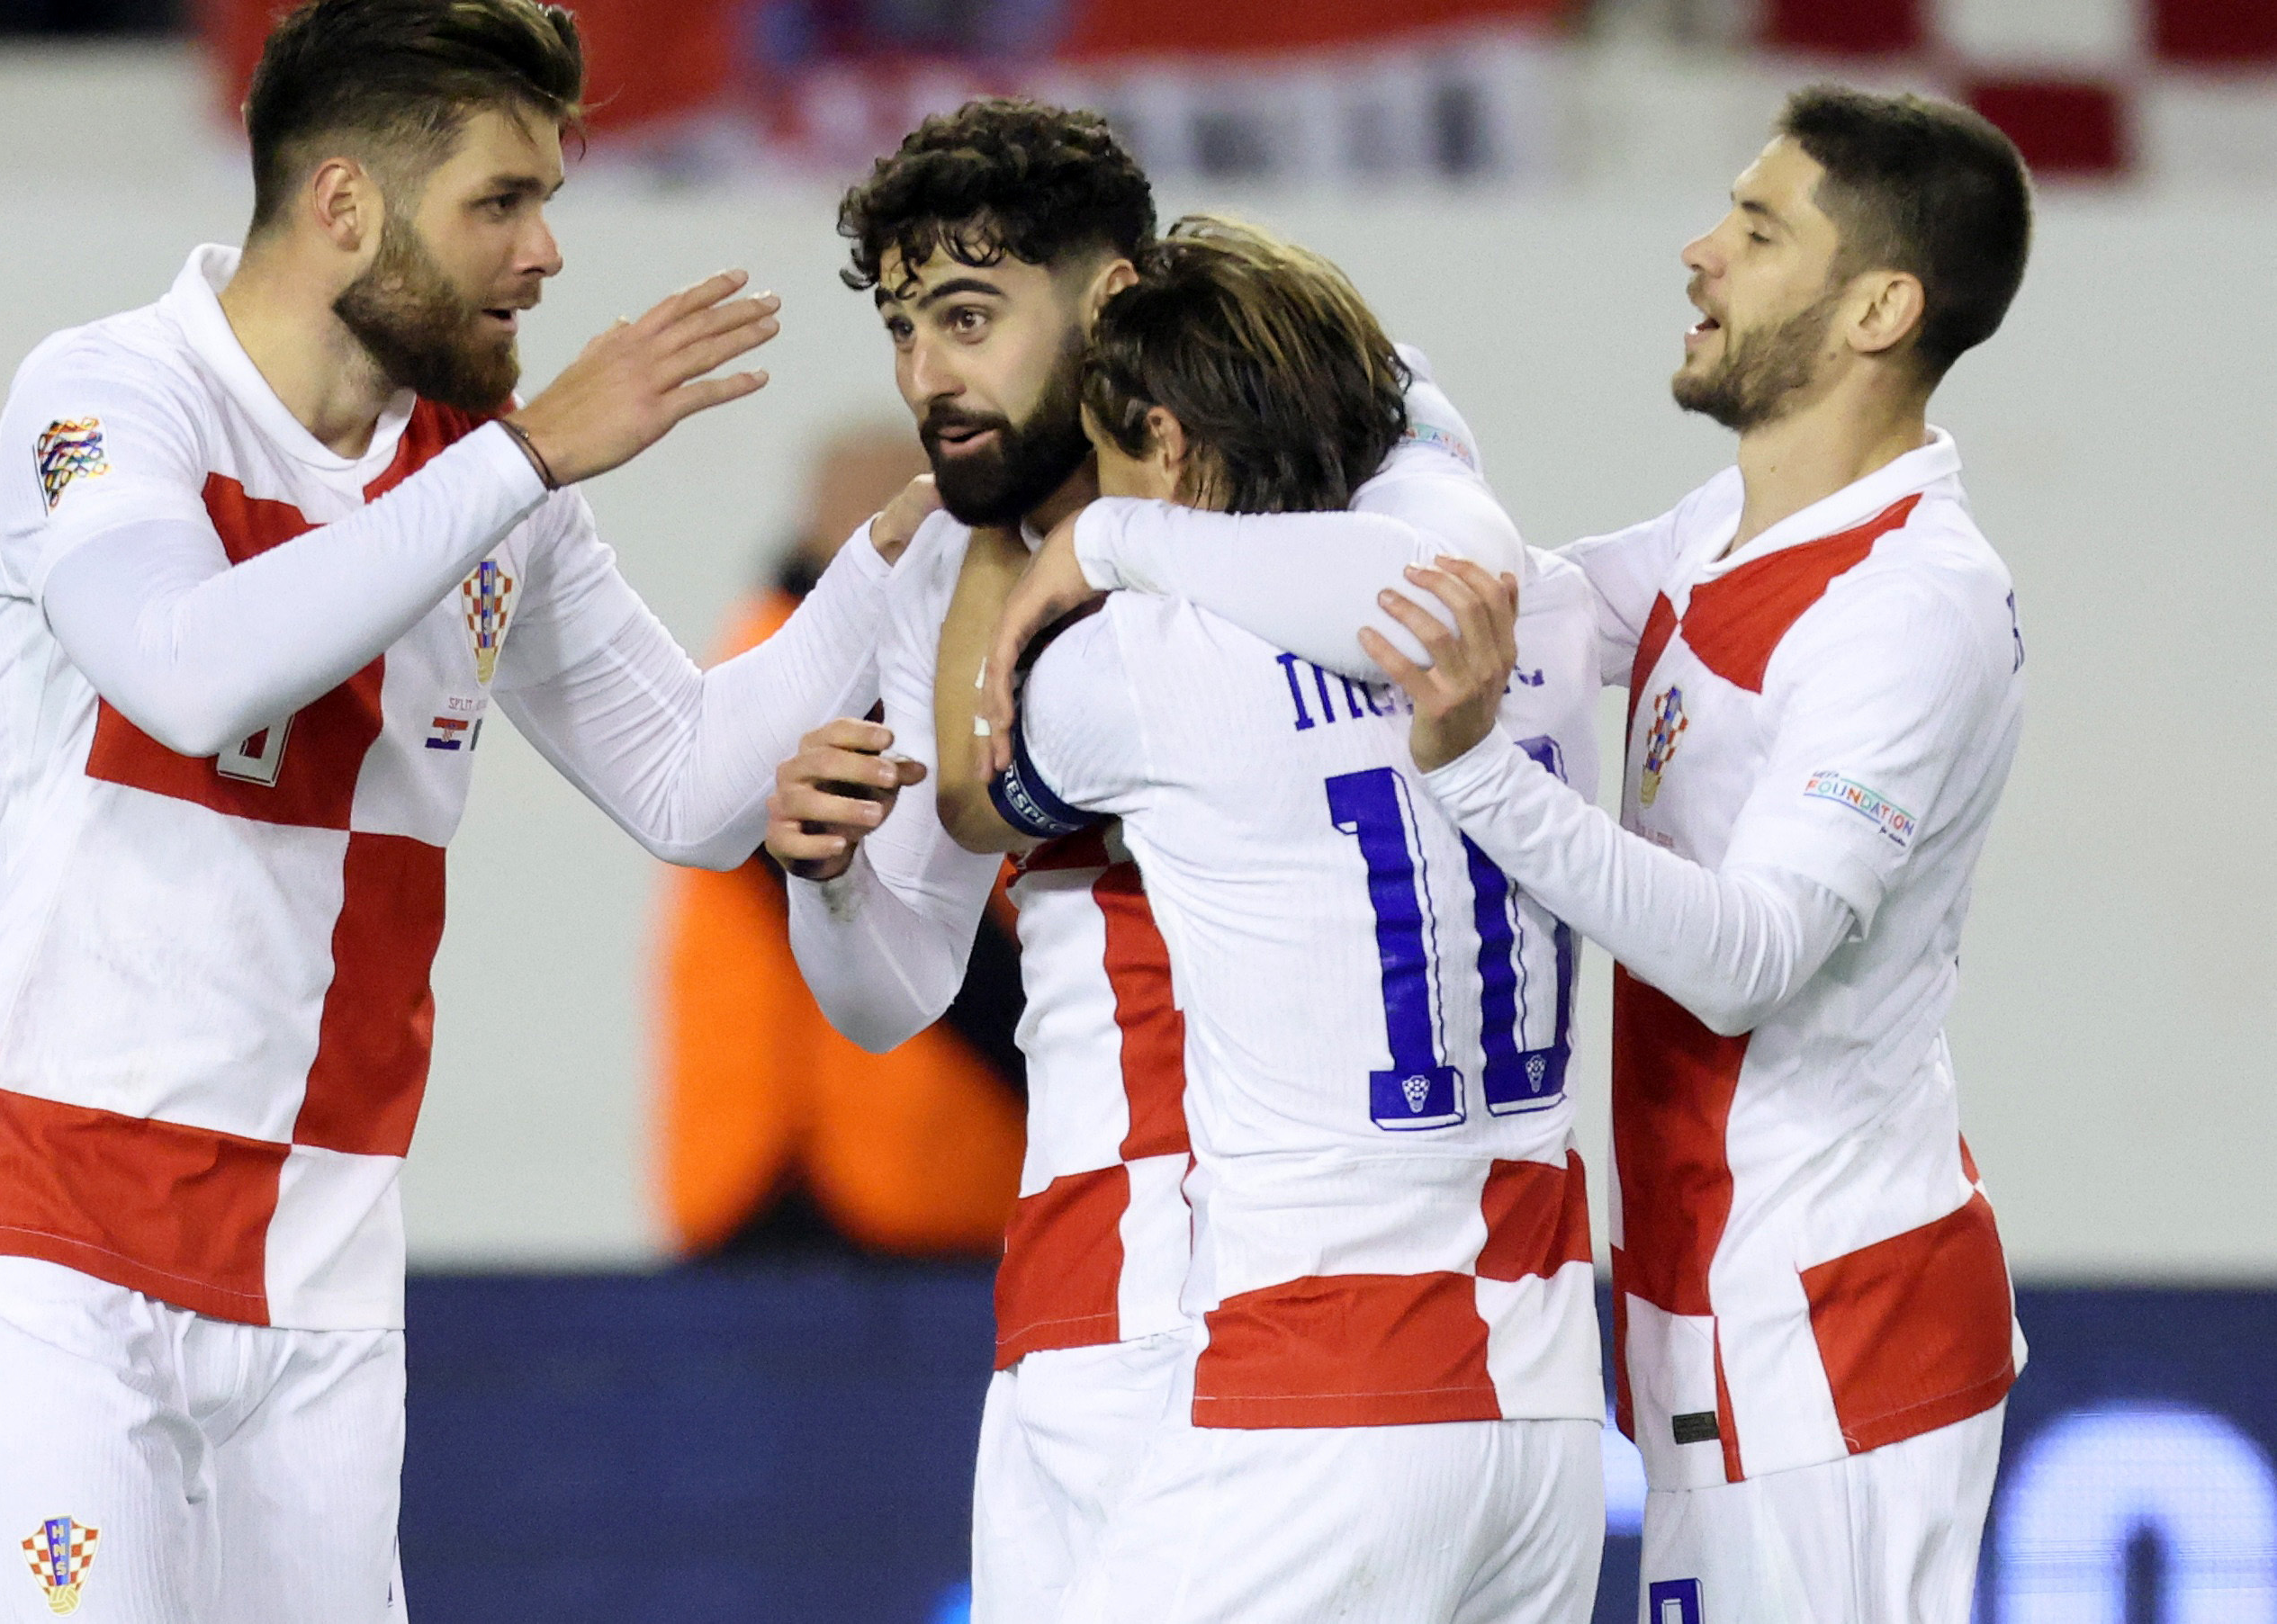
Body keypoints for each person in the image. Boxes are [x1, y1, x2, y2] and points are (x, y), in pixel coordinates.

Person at [0, 0, 932, 1624]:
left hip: (319, 1263)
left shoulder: (477, 469)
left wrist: (914, 544)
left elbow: (696, 787)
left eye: (548, 202)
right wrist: (523, 460)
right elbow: (189, 667)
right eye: (501, 201)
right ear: (344, 202)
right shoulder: (106, 397)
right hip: (45, 1229)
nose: (548, 253)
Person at [764, 100, 1595, 1620]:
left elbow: (972, 791)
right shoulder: (965, 554)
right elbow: (894, 988)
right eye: (900, 330)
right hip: (1076, 1305)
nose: (926, 377)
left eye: (966, 317)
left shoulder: (1321, 473)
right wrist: (825, 876)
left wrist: (1095, 552)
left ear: (1111, 300)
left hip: (1226, 1314)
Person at [1357, 86, 2034, 1624]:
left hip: (1830, 1327)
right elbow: (1507, 614)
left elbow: (1746, 961)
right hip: (1705, 1300)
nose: (1697, 252)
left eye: (1753, 226)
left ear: (1878, 306)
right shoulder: (1724, 532)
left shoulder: (1904, 606)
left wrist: (1476, 775)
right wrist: (1362, 403)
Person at [654, 421, 1025, 1259]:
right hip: (811, 1184)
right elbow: (935, 942)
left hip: (899, 1178)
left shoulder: (779, 671)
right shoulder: (793, 681)